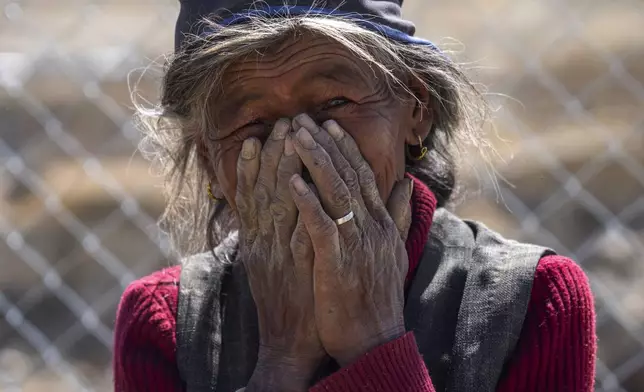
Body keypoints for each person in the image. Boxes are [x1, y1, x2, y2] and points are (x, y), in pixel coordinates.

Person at [113, 1, 597, 391]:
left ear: (416, 110)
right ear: (207, 160)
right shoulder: (164, 325)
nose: (301, 144)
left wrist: (375, 344)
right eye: (252, 123)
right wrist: (281, 360)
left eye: (335, 103)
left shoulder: (533, 301)